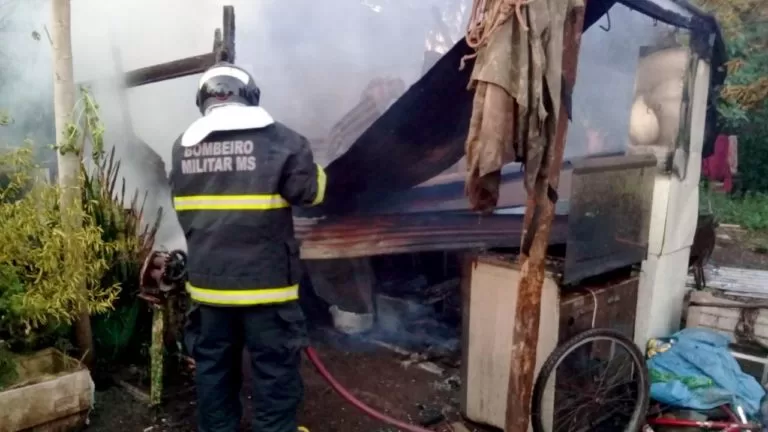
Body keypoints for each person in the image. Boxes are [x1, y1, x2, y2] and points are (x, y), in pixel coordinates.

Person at [169, 62, 325, 432]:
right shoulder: (284, 141)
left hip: (210, 290)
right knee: (274, 374)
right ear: (250, 95)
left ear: (203, 100)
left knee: (214, 372)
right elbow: (310, 194)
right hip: (267, 290)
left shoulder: (182, 147)